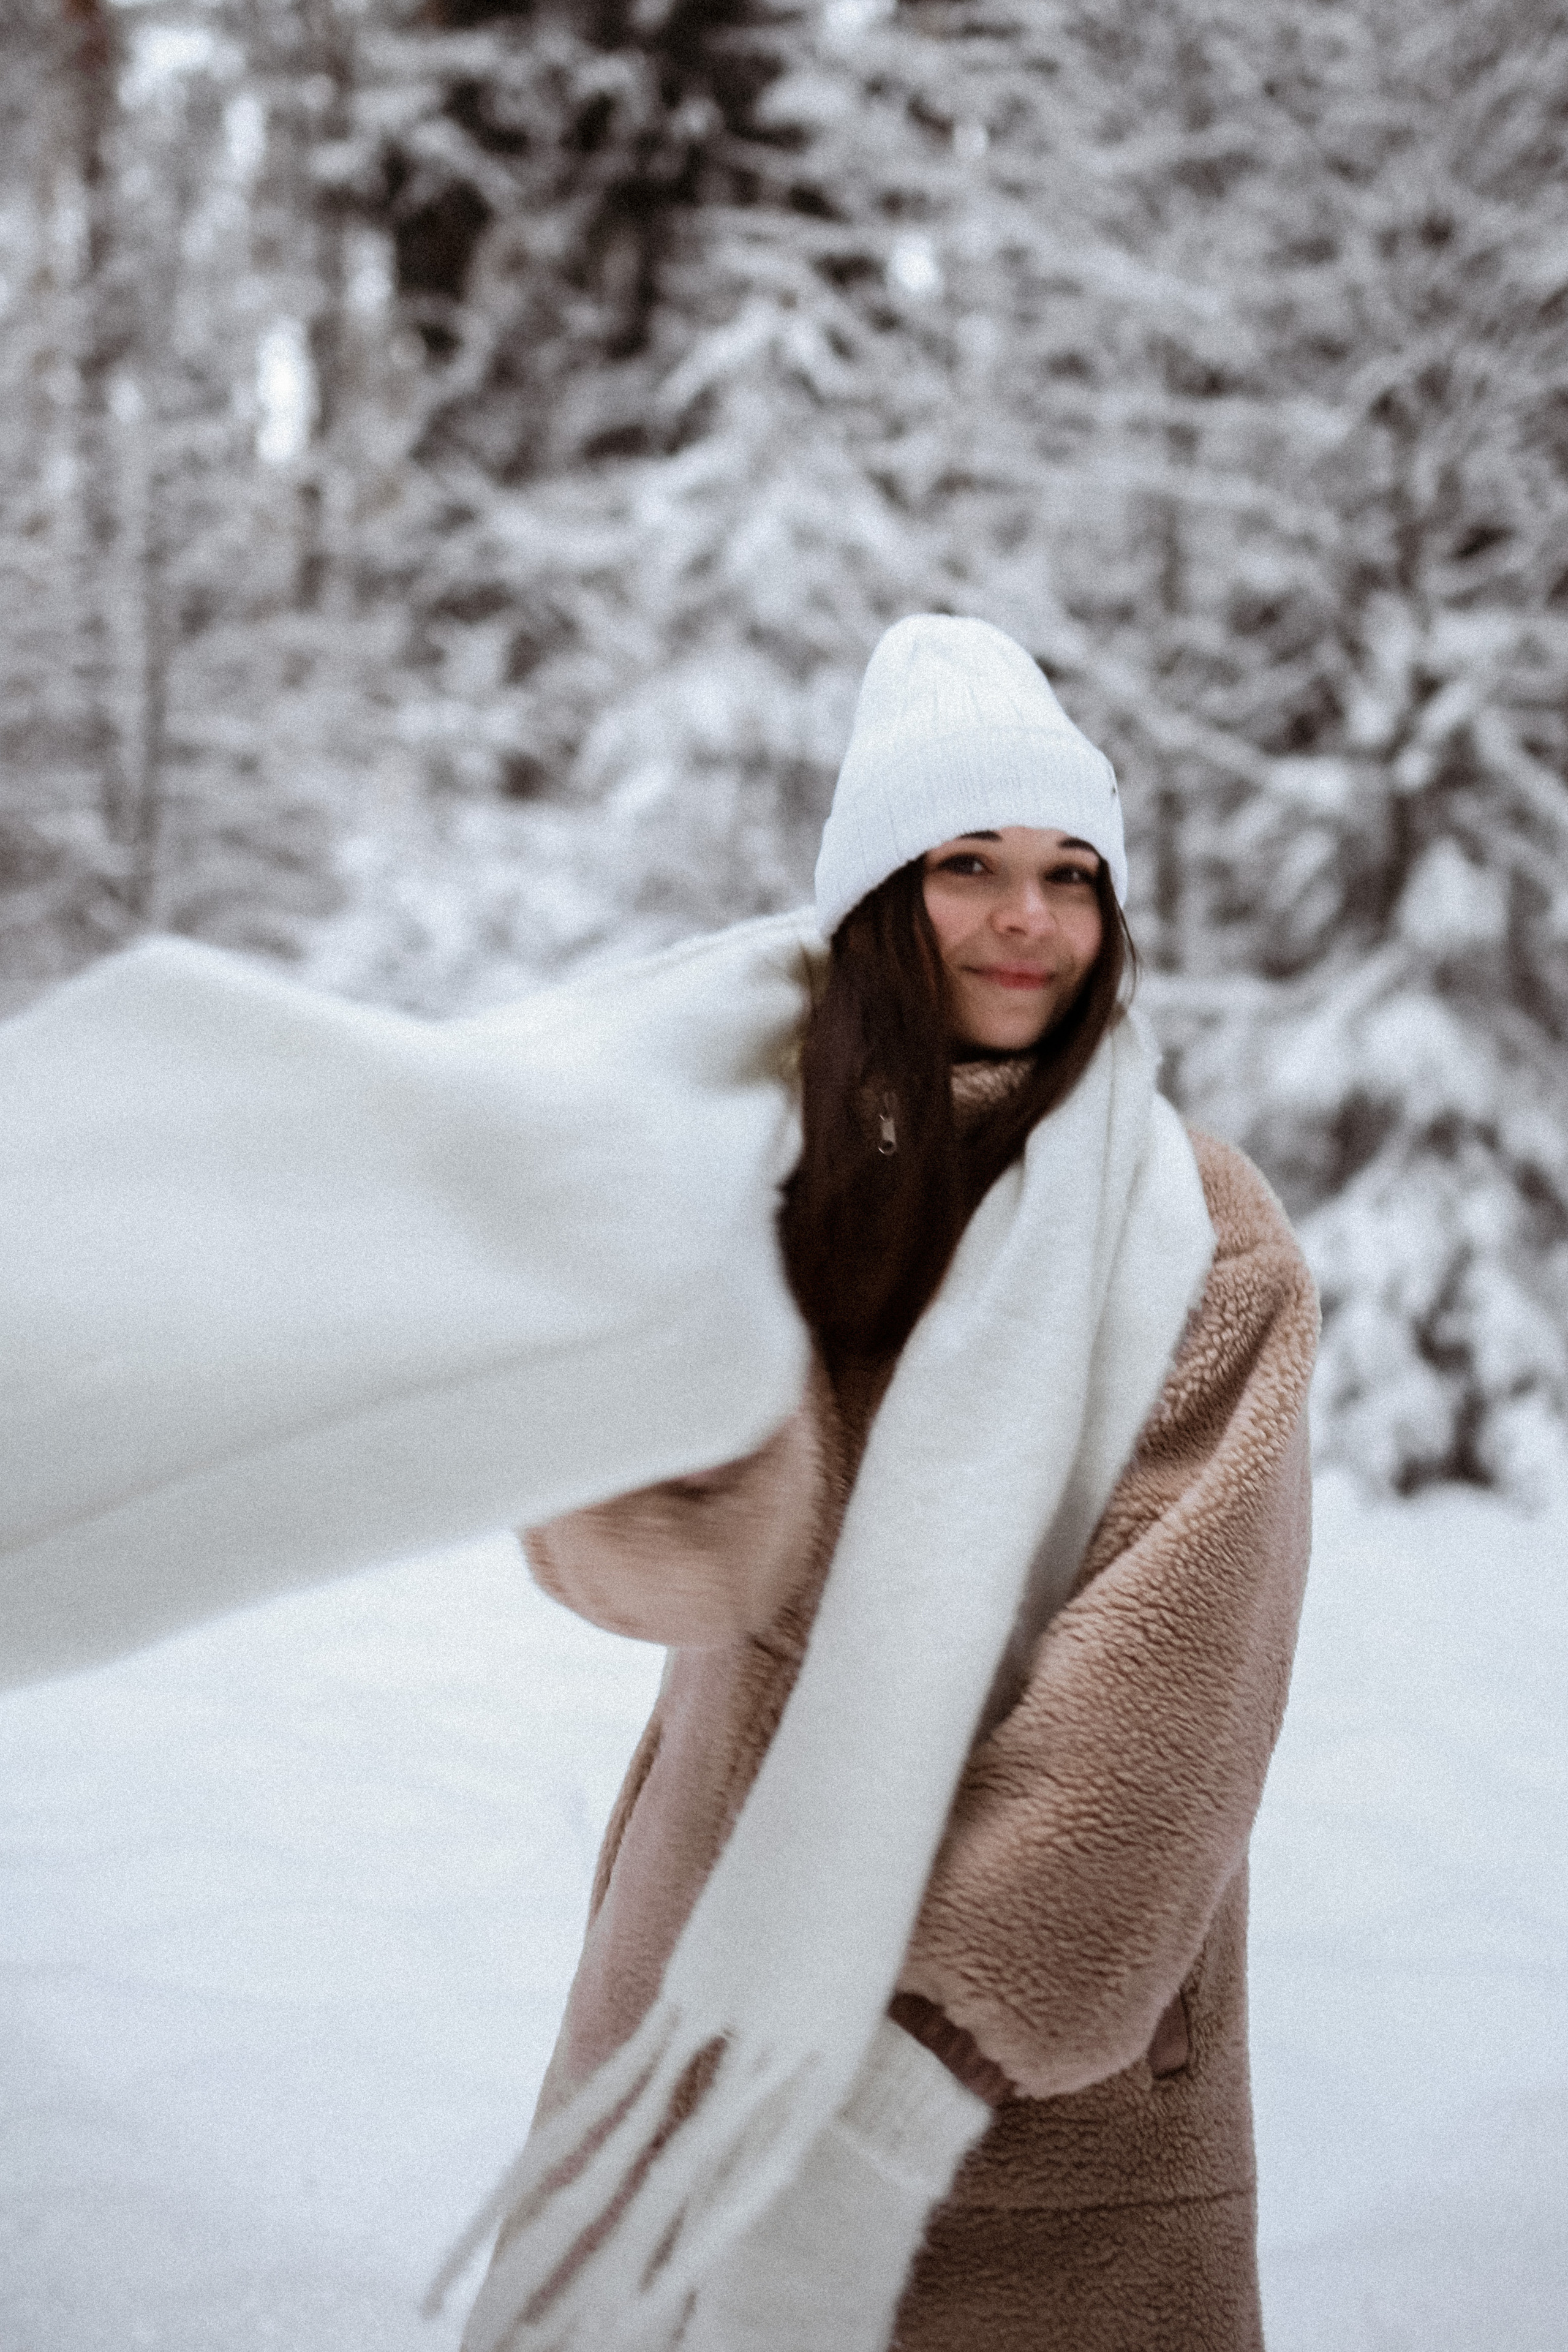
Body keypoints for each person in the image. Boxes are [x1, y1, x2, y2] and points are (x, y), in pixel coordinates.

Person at [460, 615, 1319, 2352]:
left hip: (1024, 2086)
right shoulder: (761, 1190)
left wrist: (925, 2062)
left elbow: (1169, 1701)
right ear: (874, 903)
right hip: (699, 2003)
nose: (1030, 919)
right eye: (971, 867)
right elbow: (640, 1571)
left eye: (1074, 874)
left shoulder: (1203, 1245)